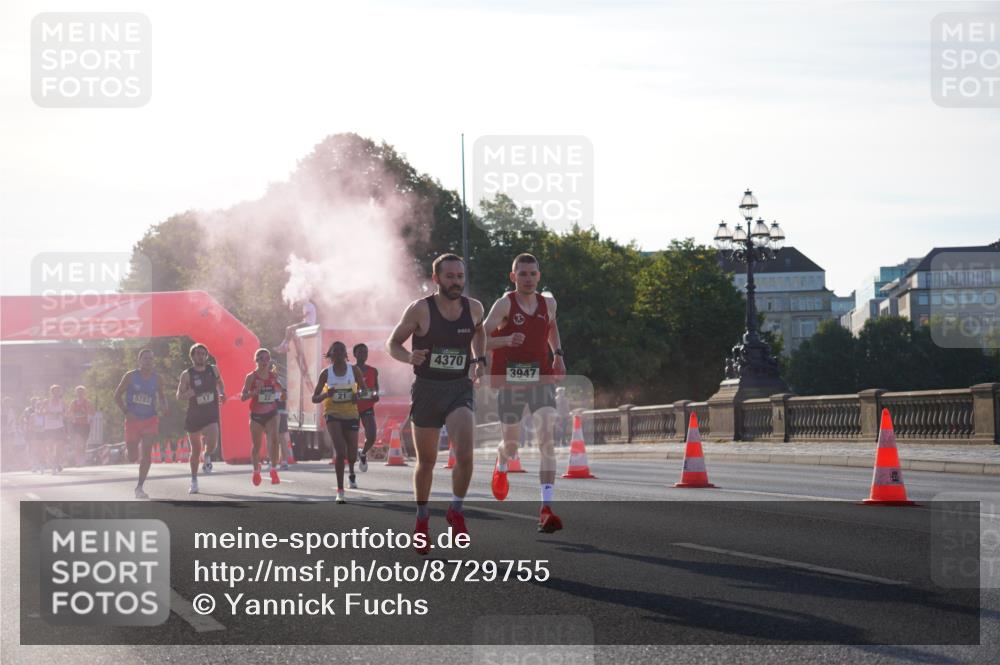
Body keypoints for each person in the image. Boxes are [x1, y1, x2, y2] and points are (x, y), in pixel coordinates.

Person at [386, 253, 486, 552]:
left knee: (465, 452)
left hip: (458, 388)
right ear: (437, 279)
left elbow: (479, 331)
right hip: (427, 389)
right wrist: (408, 357)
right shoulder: (420, 310)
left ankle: (456, 509)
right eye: (450, 276)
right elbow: (392, 343)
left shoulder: (475, 308)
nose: (456, 282)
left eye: (460, 276)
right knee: (427, 462)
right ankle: (422, 518)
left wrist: (478, 359)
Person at [484, 253, 566, 533]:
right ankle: (502, 459)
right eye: (523, 274)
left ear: (539, 276)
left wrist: (558, 354)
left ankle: (546, 508)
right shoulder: (504, 304)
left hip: (541, 378)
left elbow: (552, 327)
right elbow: (480, 337)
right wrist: (506, 338)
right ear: (513, 276)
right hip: (509, 380)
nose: (528, 279)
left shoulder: (549, 303)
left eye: (533, 274)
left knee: (546, 438)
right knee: (512, 444)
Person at [311, 341, 368, 503]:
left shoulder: (354, 370)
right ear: (331, 356)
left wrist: (359, 395)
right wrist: (326, 394)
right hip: (333, 414)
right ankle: (340, 490)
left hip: (351, 414)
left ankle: (351, 472)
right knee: (340, 451)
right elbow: (314, 398)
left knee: (351, 454)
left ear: (345, 355)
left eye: (341, 353)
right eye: (334, 353)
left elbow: (364, 390)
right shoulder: (326, 373)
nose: (338, 356)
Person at [114, 348, 170, 498]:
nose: (148, 361)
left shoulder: (157, 379)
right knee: (132, 456)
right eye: (145, 358)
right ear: (139, 361)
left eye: (150, 359)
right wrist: (126, 412)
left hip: (150, 419)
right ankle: (129, 450)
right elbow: (117, 396)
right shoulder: (130, 376)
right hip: (133, 420)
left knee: (147, 452)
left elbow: (162, 396)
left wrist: (164, 407)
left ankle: (139, 487)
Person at [176, 343, 226, 494]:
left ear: (206, 356)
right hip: (194, 416)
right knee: (195, 450)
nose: (201, 356)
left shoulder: (213, 369)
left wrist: (222, 393)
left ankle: (208, 454)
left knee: (212, 443)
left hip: (210, 414)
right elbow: (179, 395)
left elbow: (220, 383)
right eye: (197, 354)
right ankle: (194, 480)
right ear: (192, 356)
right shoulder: (187, 374)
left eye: (203, 354)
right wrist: (187, 394)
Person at [240, 349, 284, 486]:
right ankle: (256, 471)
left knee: (275, 440)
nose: (264, 361)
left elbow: (280, 389)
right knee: (257, 446)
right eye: (261, 359)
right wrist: (254, 392)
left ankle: (273, 469)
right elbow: (243, 397)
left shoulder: (273, 375)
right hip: (256, 415)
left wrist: (283, 393)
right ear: (256, 360)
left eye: (267, 358)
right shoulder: (251, 377)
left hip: (272, 412)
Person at [353, 343, 380, 472]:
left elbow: (375, 389)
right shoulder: (349, 370)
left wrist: (375, 395)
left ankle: (363, 453)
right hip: (351, 408)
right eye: (360, 352)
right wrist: (355, 394)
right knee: (351, 439)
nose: (363, 355)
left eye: (365, 352)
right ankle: (351, 471)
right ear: (355, 354)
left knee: (372, 436)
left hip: (367, 407)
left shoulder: (373, 371)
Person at [68, 386, 94, 466]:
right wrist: (73, 418)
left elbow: (92, 413)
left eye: (81, 392)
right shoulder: (74, 402)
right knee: (78, 443)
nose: (80, 394)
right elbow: (70, 413)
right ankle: (78, 461)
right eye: (78, 392)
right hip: (77, 425)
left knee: (83, 444)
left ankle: (83, 459)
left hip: (85, 425)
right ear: (76, 393)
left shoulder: (87, 402)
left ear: (84, 393)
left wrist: (88, 416)